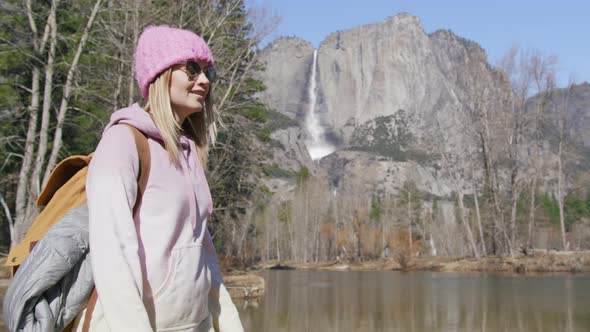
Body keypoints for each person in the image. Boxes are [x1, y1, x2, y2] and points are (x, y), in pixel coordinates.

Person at [74, 25, 243, 332]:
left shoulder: (189, 153)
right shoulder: (123, 143)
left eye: (209, 72)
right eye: (192, 69)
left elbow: (204, 255)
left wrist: (229, 324)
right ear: (160, 75)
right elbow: (113, 257)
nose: (204, 80)